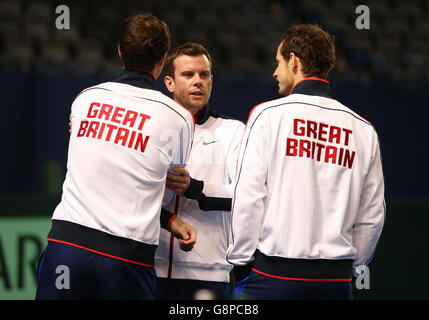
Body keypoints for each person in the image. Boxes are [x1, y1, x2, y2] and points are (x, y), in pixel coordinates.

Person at [35, 13, 196, 300]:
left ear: (120, 50)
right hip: (127, 258)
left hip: (67, 246)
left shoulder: (86, 99)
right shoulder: (180, 117)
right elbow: (172, 182)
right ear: (162, 59)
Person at [226, 24, 385, 300]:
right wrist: (352, 267)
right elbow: (372, 216)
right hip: (335, 282)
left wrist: (241, 262)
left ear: (294, 61)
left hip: (272, 277)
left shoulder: (267, 115)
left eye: (278, 62)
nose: (275, 72)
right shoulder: (363, 130)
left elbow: (249, 197)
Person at [154, 43, 245, 300]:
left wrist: (194, 188)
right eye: (188, 75)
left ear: (212, 81)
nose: (198, 82)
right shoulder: (152, 128)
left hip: (207, 271)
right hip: (149, 265)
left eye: (204, 75)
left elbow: (243, 195)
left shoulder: (233, 132)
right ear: (169, 83)